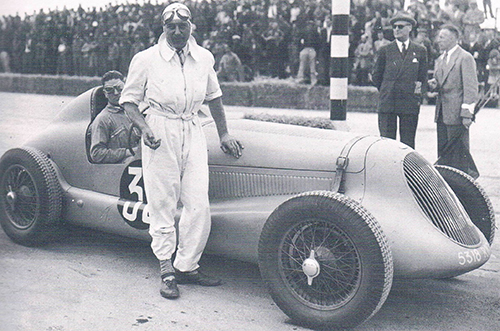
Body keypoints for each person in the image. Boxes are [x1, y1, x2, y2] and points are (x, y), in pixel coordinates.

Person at [119, 2, 243, 300]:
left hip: (193, 129)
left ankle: (187, 265)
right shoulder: (146, 59)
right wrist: (145, 128)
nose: (176, 31)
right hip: (160, 130)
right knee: (163, 202)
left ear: (192, 27)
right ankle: (166, 270)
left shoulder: (204, 58)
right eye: (170, 27)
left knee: (198, 203)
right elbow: (128, 101)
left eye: (182, 26)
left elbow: (214, 97)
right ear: (163, 28)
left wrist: (224, 132)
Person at [371, 12, 428, 149]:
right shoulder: (385, 50)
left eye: (400, 27)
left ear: (409, 28)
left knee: (407, 144)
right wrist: (387, 89)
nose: (396, 30)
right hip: (389, 101)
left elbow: (422, 77)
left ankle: (406, 171)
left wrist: (416, 95)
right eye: (394, 27)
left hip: (409, 102)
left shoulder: (420, 50)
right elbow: (376, 76)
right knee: (387, 143)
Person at [428, 24, 479, 177]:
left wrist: (466, 114)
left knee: (459, 153)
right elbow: (439, 81)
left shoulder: (465, 57)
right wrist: (433, 84)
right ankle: (447, 183)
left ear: (453, 38)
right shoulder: (440, 58)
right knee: (444, 152)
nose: (438, 40)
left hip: (457, 115)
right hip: (442, 114)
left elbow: (471, 88)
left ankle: (464, 184)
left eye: (442, 37)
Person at [90, 70, 139, 164]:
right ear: (105, 93)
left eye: (119, 88)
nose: (116, 93)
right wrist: (127, 152)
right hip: (124, 167)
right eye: (110, 90)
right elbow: (96, 154)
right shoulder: (103, 119)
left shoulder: (136, 110)